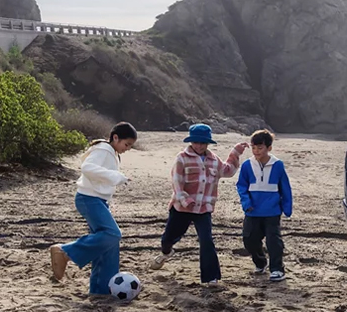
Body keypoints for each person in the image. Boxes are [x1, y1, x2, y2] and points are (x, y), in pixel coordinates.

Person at [151, 124, 247, 285]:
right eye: (196, 142)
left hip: (204, 209)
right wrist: (184, 199)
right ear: (191, 141)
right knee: (169, 238)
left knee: (206, 240)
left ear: (208, 143)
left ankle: (211, 277)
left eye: (203, 143)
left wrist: (236, 152)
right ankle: (166, 252)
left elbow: (228, 170)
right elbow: (177, 182)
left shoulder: (214, 160)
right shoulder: (182, 158)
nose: (200, 146)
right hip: (182, 207)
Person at [49, 122, 139, 296]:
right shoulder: (104, 149)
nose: (127, 149)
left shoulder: (109, 151)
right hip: (88, 199)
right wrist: (117, 177)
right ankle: (66, 251)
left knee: (109, 246)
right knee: (113, 234)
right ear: (115, 137)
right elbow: (87, 168)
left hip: (97, 201)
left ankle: (101, 290)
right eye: (126, 144)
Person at [235, 129, 293, 282]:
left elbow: (285, 187)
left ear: (269, 148)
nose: (256, 151)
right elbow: (241, 186)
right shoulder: (247, 165)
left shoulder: (278, 165)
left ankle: (277, 269)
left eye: (260, 148)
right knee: (249, 240)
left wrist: (287, 207)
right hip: (252, 210)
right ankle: (261, 263)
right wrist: (246, 203)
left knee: (273, 241)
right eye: (253, 147)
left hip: (272, 211)